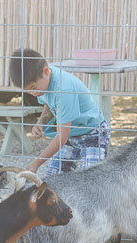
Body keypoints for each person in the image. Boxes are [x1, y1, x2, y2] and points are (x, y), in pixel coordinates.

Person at [9, 48, 110, 176]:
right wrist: (40, 121)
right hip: (71, 132)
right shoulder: (42, 80)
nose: (33, 93)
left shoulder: (64, 90)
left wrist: (37, 162)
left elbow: (62, 136)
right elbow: (48, 101)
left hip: (93, 132)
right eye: (27, 90)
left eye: (33, 88)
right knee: (53, 180)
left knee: (90, 180)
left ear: (46, 71)